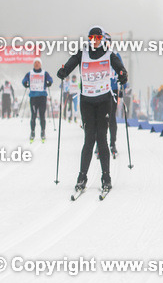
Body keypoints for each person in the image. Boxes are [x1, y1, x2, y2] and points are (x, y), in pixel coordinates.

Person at [55, 26, 128, 194]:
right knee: (88, 139)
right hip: (87, 101)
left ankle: (106, 177)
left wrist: (123, 75)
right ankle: (82, 177)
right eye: (92, 38)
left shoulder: (108, 54)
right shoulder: (83, 53)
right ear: (89, 39)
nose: (95, 40)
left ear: (102, 39)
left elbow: (120, 68)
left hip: (104, 100)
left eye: (98, 38)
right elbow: (70, 65)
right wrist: (63, 71)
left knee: (102, 138)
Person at [21, 58, 53, 142]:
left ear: (40, 64)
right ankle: (32, 132)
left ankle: (43, 132)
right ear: (33, 64)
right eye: (35, 62)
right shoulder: (30, 73)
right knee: (33, 116)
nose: (37, 64)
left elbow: (50, 79)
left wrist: (49, 82)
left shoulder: (45, 73)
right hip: (33, 97)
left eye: (38, 62)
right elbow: (24, 80)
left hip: (42, 97)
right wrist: (25, 83)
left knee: (42, 116)